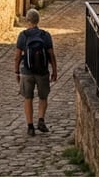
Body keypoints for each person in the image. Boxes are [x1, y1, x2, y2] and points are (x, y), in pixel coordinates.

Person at [14, 8, 58, 136]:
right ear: (38, 20)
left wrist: (16, 71)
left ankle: (30, 126)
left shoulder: (23, 35)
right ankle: (41, 119)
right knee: (43, 96)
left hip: (27, 71)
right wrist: (54, 70)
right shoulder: (45, 35)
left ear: (27, 20)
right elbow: (51, 54)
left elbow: (17, 56)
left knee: (28, 98)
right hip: (43, 71)